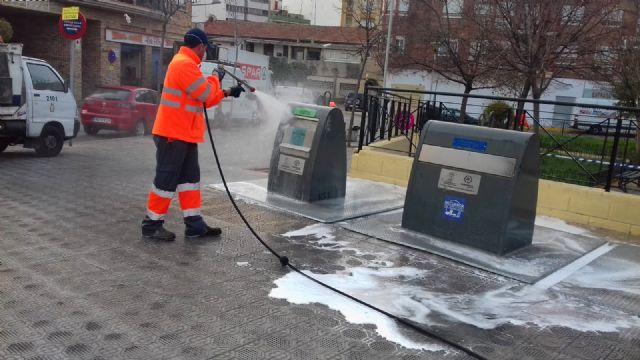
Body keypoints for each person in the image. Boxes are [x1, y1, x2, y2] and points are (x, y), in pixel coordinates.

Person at [142, 28, 245, 241]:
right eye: (205, 49)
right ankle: (151, 224)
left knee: (190, 180)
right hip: (173, 134)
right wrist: (216, 77)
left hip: (184, 134)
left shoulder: (189, 66)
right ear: (200, 47)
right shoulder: (183, 64)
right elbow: (206, 93)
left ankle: (194, 225)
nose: (205, 52)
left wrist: (227, 92)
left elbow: (203, 97)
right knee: (165, 180)